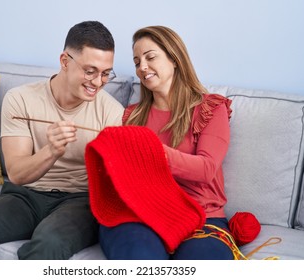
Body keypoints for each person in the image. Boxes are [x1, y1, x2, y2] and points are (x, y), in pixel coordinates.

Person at [0, 20, 124, 260]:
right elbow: (16, 173)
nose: (98, 82)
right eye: (90, 71)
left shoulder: (112, 113)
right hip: (25, 195)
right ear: (65, 61)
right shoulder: (20, 99)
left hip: (80, 200)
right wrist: (52, 151)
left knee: (49, 244)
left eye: (105, 74)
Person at [98, 25, 234, 260]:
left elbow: (206, 169)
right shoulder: (130, 116)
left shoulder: (209, 108)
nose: (142, 67)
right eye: (137, 61)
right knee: (138, 257)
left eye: (150, 57)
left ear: (174, 58)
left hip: (202, 217)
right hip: (142, 215)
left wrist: (154, 152)